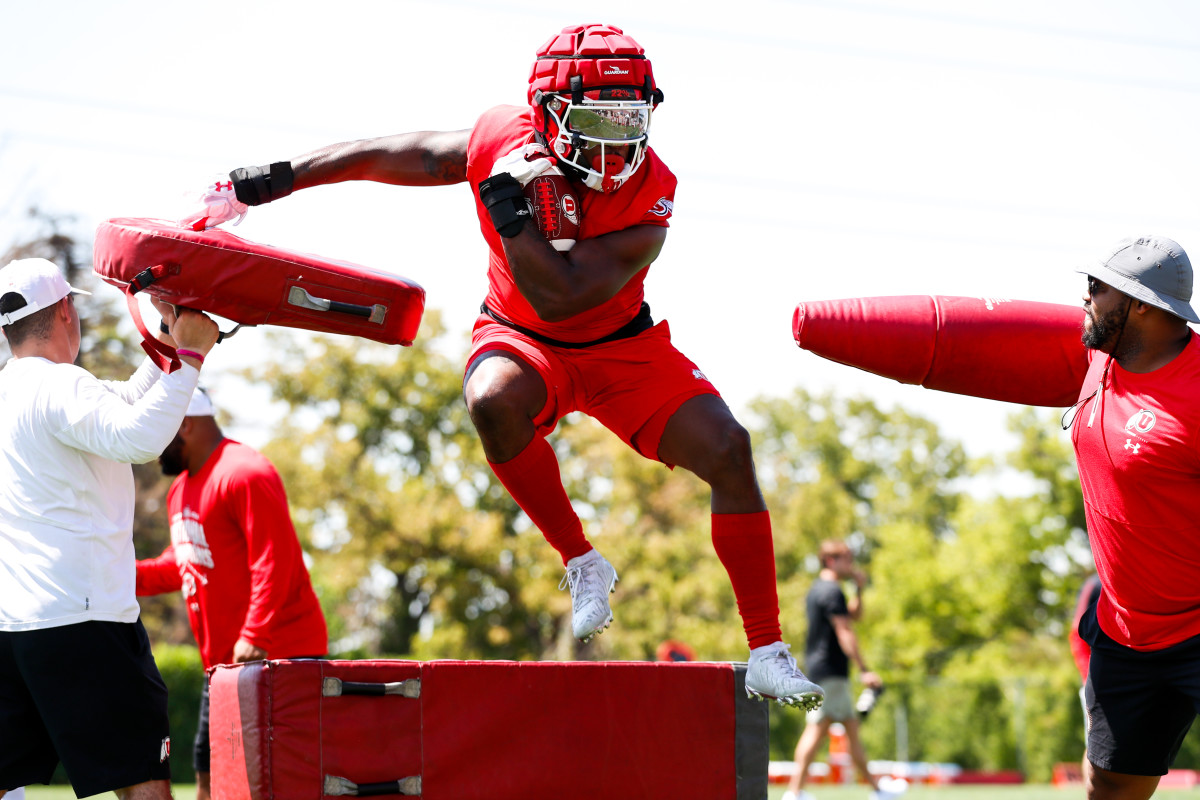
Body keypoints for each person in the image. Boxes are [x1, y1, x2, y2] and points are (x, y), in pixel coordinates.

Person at [187, 23, 821, 707]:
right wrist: (275, 180)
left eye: (627, 118)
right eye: (594, 117)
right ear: (548, 111)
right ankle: (582, 561)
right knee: (491, 398)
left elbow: (566, 291)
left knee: (730, 449)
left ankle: (766, 648)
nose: (613, 139)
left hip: (619, 345)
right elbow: (408, 155)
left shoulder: (654, 188)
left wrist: (511, 215)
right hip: (522, 337)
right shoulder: (503, 136)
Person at [0, 258, 219, 800]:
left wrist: (169, 339)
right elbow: (137, 439)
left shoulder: (14, 391)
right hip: (88, 619)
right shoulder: (60, 386)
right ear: (66, 313)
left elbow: (120, 400)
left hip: (15, 626)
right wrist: (191, 357)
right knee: (142, 781)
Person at [136, 387, 328, 800]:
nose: (152, 445)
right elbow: (183, 562)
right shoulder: (180, 490)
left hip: (281, 657)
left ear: (185, 424)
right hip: (223, 671)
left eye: (158, 430)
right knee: (209, 780)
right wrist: (116, 576)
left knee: (284, 784)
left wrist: (255, 633)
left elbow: (272, 559)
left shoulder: (245, 472)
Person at [782, 540, 901, 800]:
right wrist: (864, 669)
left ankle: (877, 790)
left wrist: (858, 588)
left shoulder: (819, 589)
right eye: (846, 559)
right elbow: (845, 630)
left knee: (850, 730)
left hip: (824, 671)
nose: (851, 564)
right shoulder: (831, 591)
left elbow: (852, 616)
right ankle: (794, 793)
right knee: (817, 730)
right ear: (831, 561)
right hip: (830, 673)